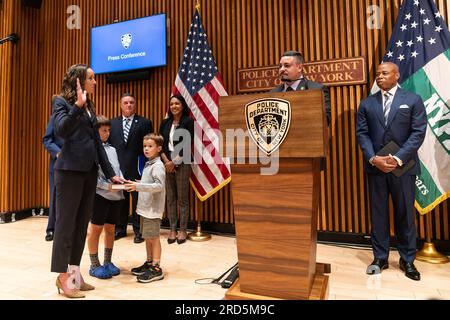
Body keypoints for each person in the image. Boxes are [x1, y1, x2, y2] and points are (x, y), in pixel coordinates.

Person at [51, 64, 123, 298]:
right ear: (78, 80)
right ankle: (62, 277)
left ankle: (74, 274)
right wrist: (77, 107)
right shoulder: (61, 102)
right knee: (65, 226)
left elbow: (96, 144)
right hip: (69, 172)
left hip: (89, 172)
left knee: (81, 226)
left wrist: (111, 172)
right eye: (91, 78)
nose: (95, 81)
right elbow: (61, 131)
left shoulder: (90, 107)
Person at [356, 62, 427, 281]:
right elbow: (362, 134)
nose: (379, 77)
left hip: (403, 167)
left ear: (397, 75)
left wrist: (397, 158)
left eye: (384, 73)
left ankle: (407, 260)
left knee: (405, 214)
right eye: (377, 74)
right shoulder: (367, 104)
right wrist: (373, 158)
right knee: (378, 214)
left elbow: (418, 132)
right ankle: (380, 258)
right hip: (376, 167)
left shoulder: (413, 100)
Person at [109, 93, 153, 243]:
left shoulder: (145, 122)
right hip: (118, 171)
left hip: (137, 169)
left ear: (135, 105)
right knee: (120, 201)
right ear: (121, 105)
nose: (129, 105)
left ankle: (138, 231)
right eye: (126, 102)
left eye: (131, 102)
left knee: (138, 202)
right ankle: (120, 229)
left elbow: (150, 147)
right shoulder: (112, 123)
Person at [87, 115, 124, 279]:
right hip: (100, 195)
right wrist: (105, 186)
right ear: (96, 131)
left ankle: (108, 262)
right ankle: (94, 265)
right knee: (95, 230)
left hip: (115, 195)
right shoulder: (91, 150)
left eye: (109, 130)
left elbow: (116, 170)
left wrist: (123, 182)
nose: (107, 133)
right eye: (104, 130)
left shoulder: (113, 150)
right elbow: (91, 176)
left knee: (111, 229)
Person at [125, 134, 166, 283]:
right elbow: (149, 182)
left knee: (154, 238)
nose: (146, 149)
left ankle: (156, 267)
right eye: (145, 146)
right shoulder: (149, 164)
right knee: (147, 236)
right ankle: (149, 262)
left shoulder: (158, 165)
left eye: (150, 146)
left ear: (159, 148)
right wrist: (136, 183)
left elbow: (159, 186)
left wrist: (138, 186)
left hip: (152, 209)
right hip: (144, 208)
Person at [159, 94, 194, 245]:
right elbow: (160, 144)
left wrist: (175, 161)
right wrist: (167, 161)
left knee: (182, 199)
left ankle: (183, 230)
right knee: (171, 198)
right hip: (167, 164)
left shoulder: (188, 122)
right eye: (172, 104)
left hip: (183, 163)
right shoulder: (165, 123)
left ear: (182, 105)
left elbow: (188, 143)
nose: (174, 106)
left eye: (177, 104)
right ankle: (172, 229)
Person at [271, 50, 331, 125]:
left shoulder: (316, 90)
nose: (282, 69)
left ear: (299, 67)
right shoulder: (273, 93)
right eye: (280, 66)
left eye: (287, 65)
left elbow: (326, 120)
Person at [42, 111, 64, 241]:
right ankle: (51, 228)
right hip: (58, 162)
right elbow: (47, 139)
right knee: (55, 195)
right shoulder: (54, 118)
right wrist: (58, 153)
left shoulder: (78, 116)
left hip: (75, 162)